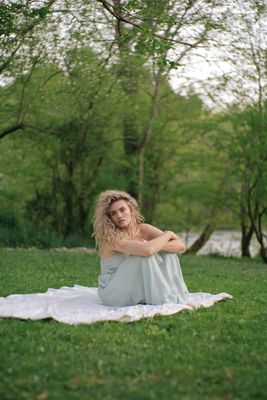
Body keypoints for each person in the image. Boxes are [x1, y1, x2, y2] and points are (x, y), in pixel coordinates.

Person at [93, 190, 192, 308]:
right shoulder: (111, 238)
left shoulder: (144, 229)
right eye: (113, 213)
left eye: (122, 210)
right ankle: (166, 301)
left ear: (131, 210)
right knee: (143, 256)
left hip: (133, 285)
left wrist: (158, 246)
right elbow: (147, 251)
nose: (119, 215)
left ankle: (179, 297)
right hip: (113, 291)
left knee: (168, 253)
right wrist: (169, 234)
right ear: (109, 218)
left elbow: (180, 246)